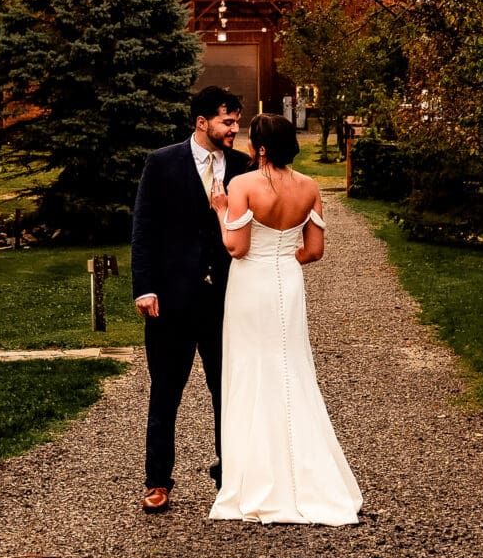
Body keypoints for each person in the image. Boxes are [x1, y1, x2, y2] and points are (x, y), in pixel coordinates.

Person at [207, 112, 363, 525]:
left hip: (250, 284)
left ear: (259, 148)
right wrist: (283, 258)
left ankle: (255, 476)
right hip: (288, 282)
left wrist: (222, 210)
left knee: (250, 369)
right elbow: (313, 252)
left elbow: (236, 248)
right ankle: (309, 474)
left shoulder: (241, 186)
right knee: (291, 367)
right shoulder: (310, 187)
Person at [130, 85, 252, 514]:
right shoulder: (162, 163)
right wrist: (144, 287)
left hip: (224, 302)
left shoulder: (242, 167)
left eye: (236, 120)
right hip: (170, 301)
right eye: (228, 121)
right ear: (202, 123)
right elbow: (144, 228)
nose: (235, 128)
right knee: (165, 391)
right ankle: (158, 480)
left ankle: (229, 476)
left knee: (227, 391)